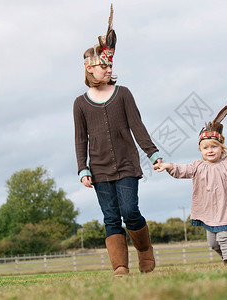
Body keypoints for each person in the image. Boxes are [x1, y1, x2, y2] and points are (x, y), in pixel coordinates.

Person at [73, 5, 163, 276]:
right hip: (98, 170)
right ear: (89, 68)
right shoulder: (80, 104)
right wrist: (83, 168)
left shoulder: (123, 93)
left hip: (126, 165)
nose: (108, 69)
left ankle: (145, 251)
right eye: (103, 65)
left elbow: (137, 125)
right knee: (111, 217)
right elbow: (80, 138)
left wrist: (153, 153)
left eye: (110, 64)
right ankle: (120, 266)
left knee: (130, 211)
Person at [158, 101, 227, 265]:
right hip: (209, 212)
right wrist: (168, 165)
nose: (210, 150)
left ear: (222, 149)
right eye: (206, 148)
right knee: (213, 243)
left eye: (214, 147)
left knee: (224, 237)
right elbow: (182, 170)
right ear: (201, 151)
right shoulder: (198, 167)